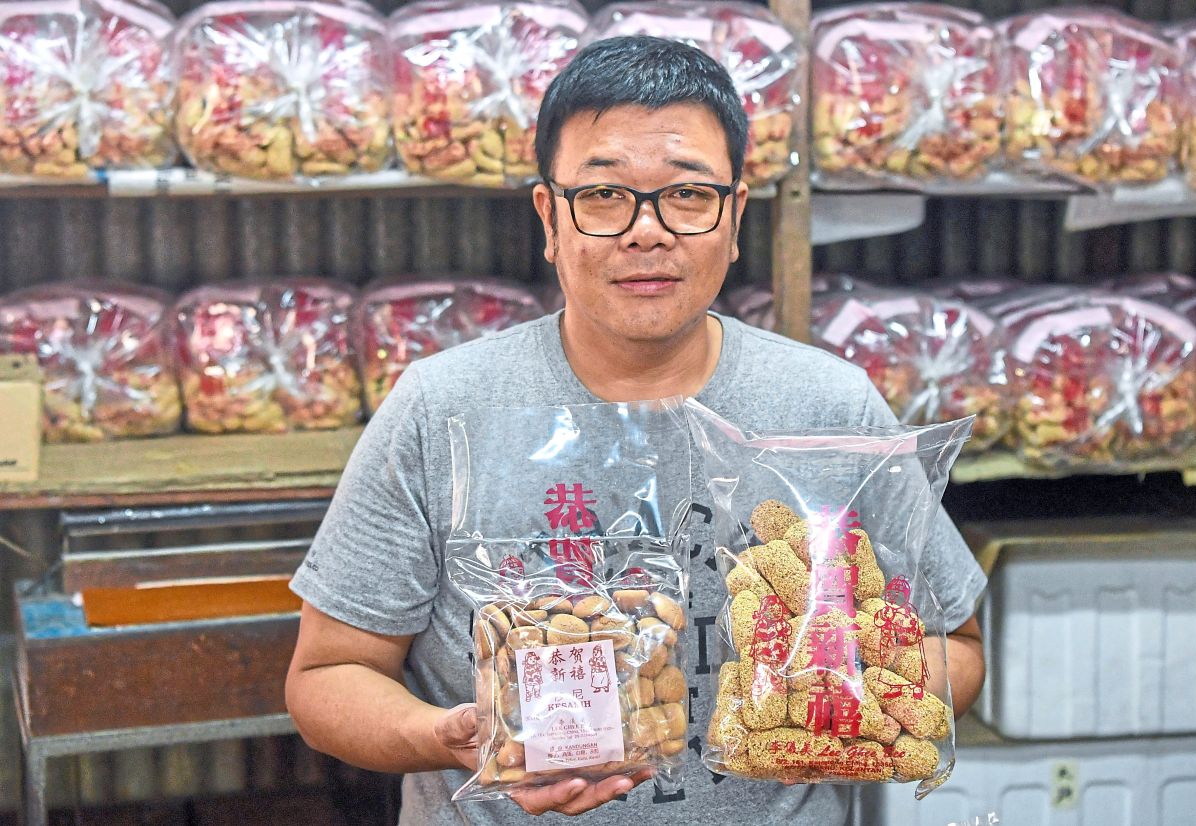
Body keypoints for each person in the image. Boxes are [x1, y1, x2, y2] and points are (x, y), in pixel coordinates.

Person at [286, 35, 986, 825]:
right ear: (550, 217)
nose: (646, 232)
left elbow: (958, 650)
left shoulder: (830, 407)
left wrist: (850, 683)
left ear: (736, 215)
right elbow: (326, 676)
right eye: (605, 195)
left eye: (688, 195)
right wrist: (445, 735)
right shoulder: (444, 405)